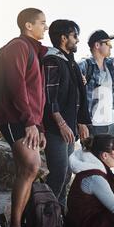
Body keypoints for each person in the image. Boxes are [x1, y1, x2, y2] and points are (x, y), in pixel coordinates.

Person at [0, 8, 48, 227]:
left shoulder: (34, 51)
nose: (45, 27)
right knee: (30, 166)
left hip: (28, 121)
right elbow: (16, 85)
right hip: (14, 117)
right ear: (28, 25)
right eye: (42, 23)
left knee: (28, 169)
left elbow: (39, 96)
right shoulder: (18, 47)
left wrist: (40, 127)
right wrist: (29, 121)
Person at [42, 20, 91, 211]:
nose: (77, 40)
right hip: (56, 129)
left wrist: (80, 122)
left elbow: (74, 92)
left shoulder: (69, 62)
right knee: (58, 175)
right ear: (64, 38)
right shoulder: (52, 60)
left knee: (67, 174)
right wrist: (62, 124)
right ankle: (44, 219)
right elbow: (49, 97)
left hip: (68, 128)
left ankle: (58, 218)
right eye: (74, 35)